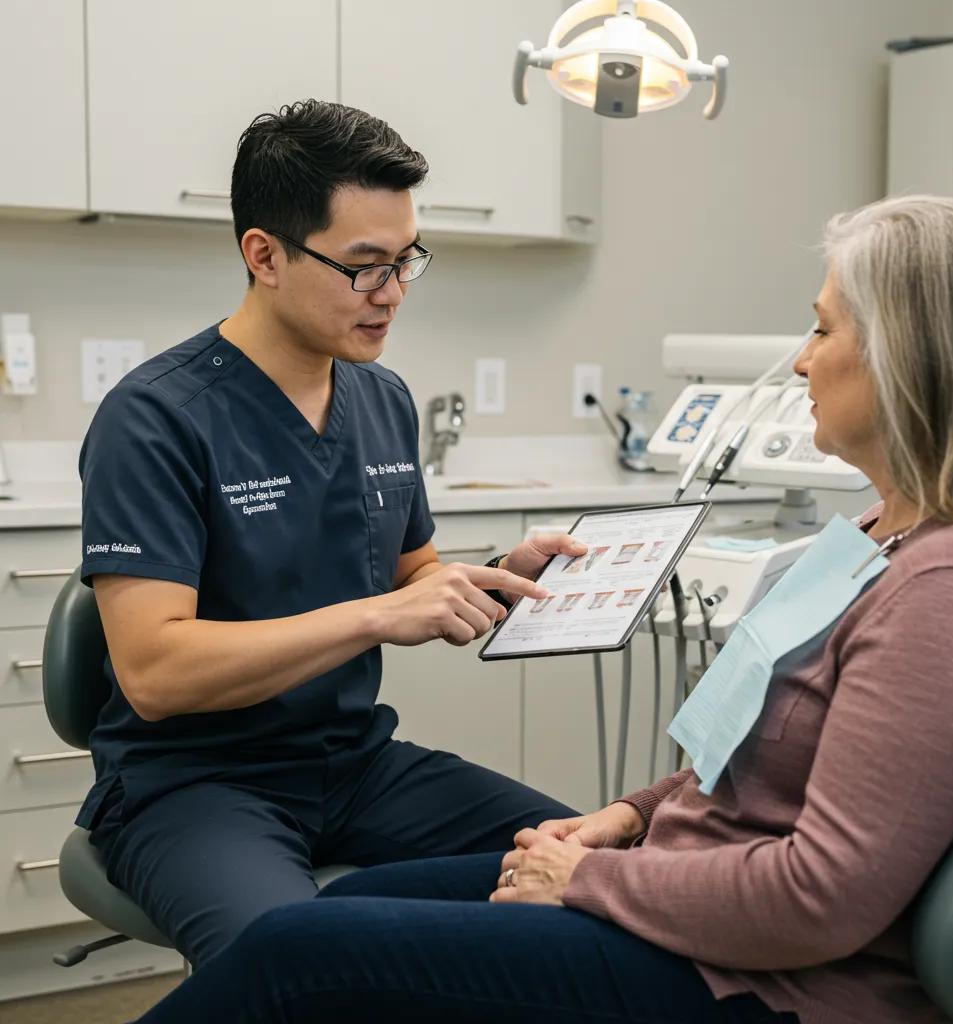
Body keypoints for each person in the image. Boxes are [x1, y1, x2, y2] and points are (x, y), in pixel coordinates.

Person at [132, 194, 953, 1024]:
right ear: (266, 256)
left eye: (822, 329)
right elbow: (746, 753)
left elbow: (822, 898)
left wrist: (588, 878)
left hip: (766, 978)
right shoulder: (875, 533)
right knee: (352, 908)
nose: (798, 359)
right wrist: (629, 816)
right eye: (366, 266)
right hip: (680, 881)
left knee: (299, 951)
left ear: (909, 358)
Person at [77, 99, 581, 969]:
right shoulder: (156, 418)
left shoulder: (381, 398)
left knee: (597, 866)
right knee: (294, 962)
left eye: (406, 260)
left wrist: (499, 576)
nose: (392, 294)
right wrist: (376, 616)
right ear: (264, 255)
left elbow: (411, 576)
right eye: (363, 267)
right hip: (193, 785)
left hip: (355, 764)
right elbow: (154, 674)